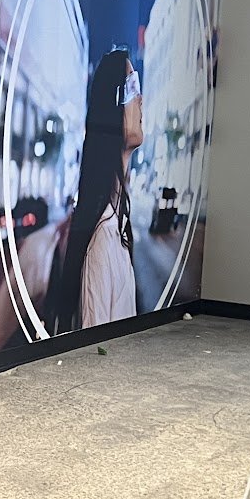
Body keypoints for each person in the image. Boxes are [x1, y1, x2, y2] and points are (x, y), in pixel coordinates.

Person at [49, 49, 144, 333]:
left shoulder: (115, 223)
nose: (141, 99)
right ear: (112, 107)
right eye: (132, 87)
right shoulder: (102, 239)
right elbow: (96, 350)